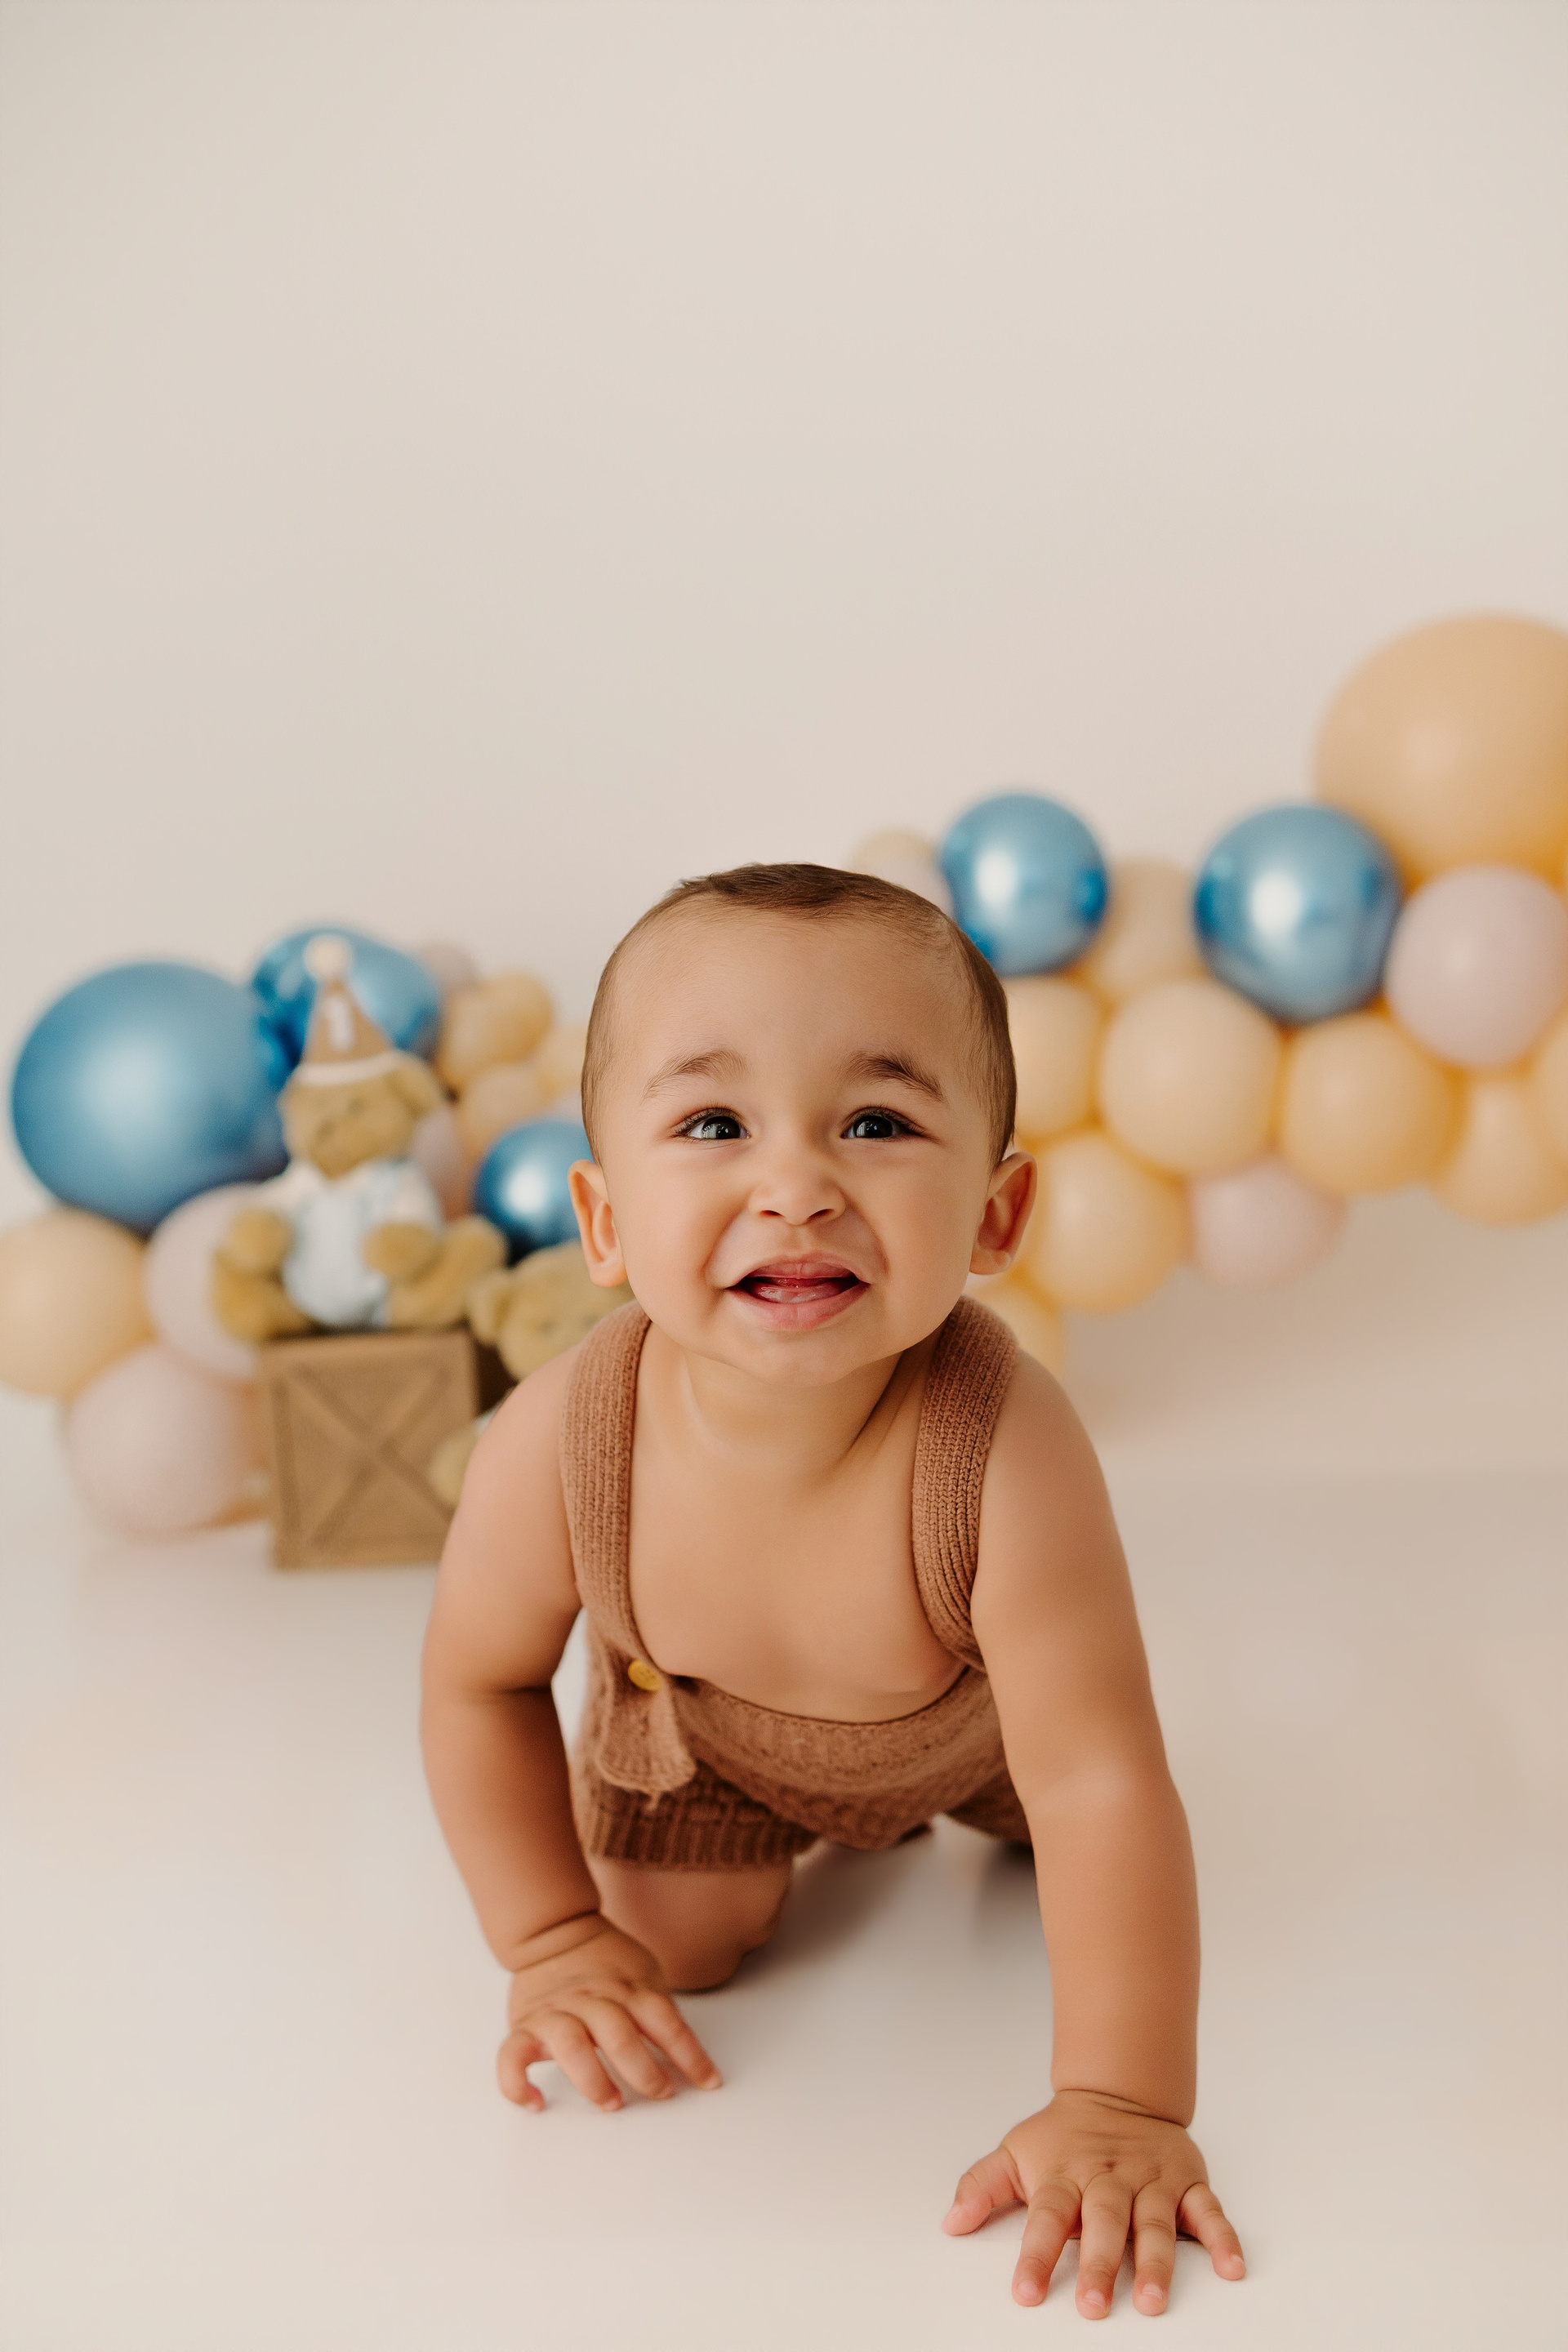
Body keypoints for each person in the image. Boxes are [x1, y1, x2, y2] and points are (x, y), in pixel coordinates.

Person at [421, 863, 1245, 2319]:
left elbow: (1098, 1776)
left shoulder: (1005, 1445)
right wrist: (548, 1938)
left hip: (982, 1737)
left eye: (875, 1122)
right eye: (713, 1125)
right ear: (603, 1221)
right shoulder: (560, 1439)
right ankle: (682, 1887)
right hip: (705, 1753)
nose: (796, 1187)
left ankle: (968, 1852)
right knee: (663, 1961)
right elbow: (476, 1682)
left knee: (1075, 1858)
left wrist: (1121, 2101)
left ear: (995, 1215)